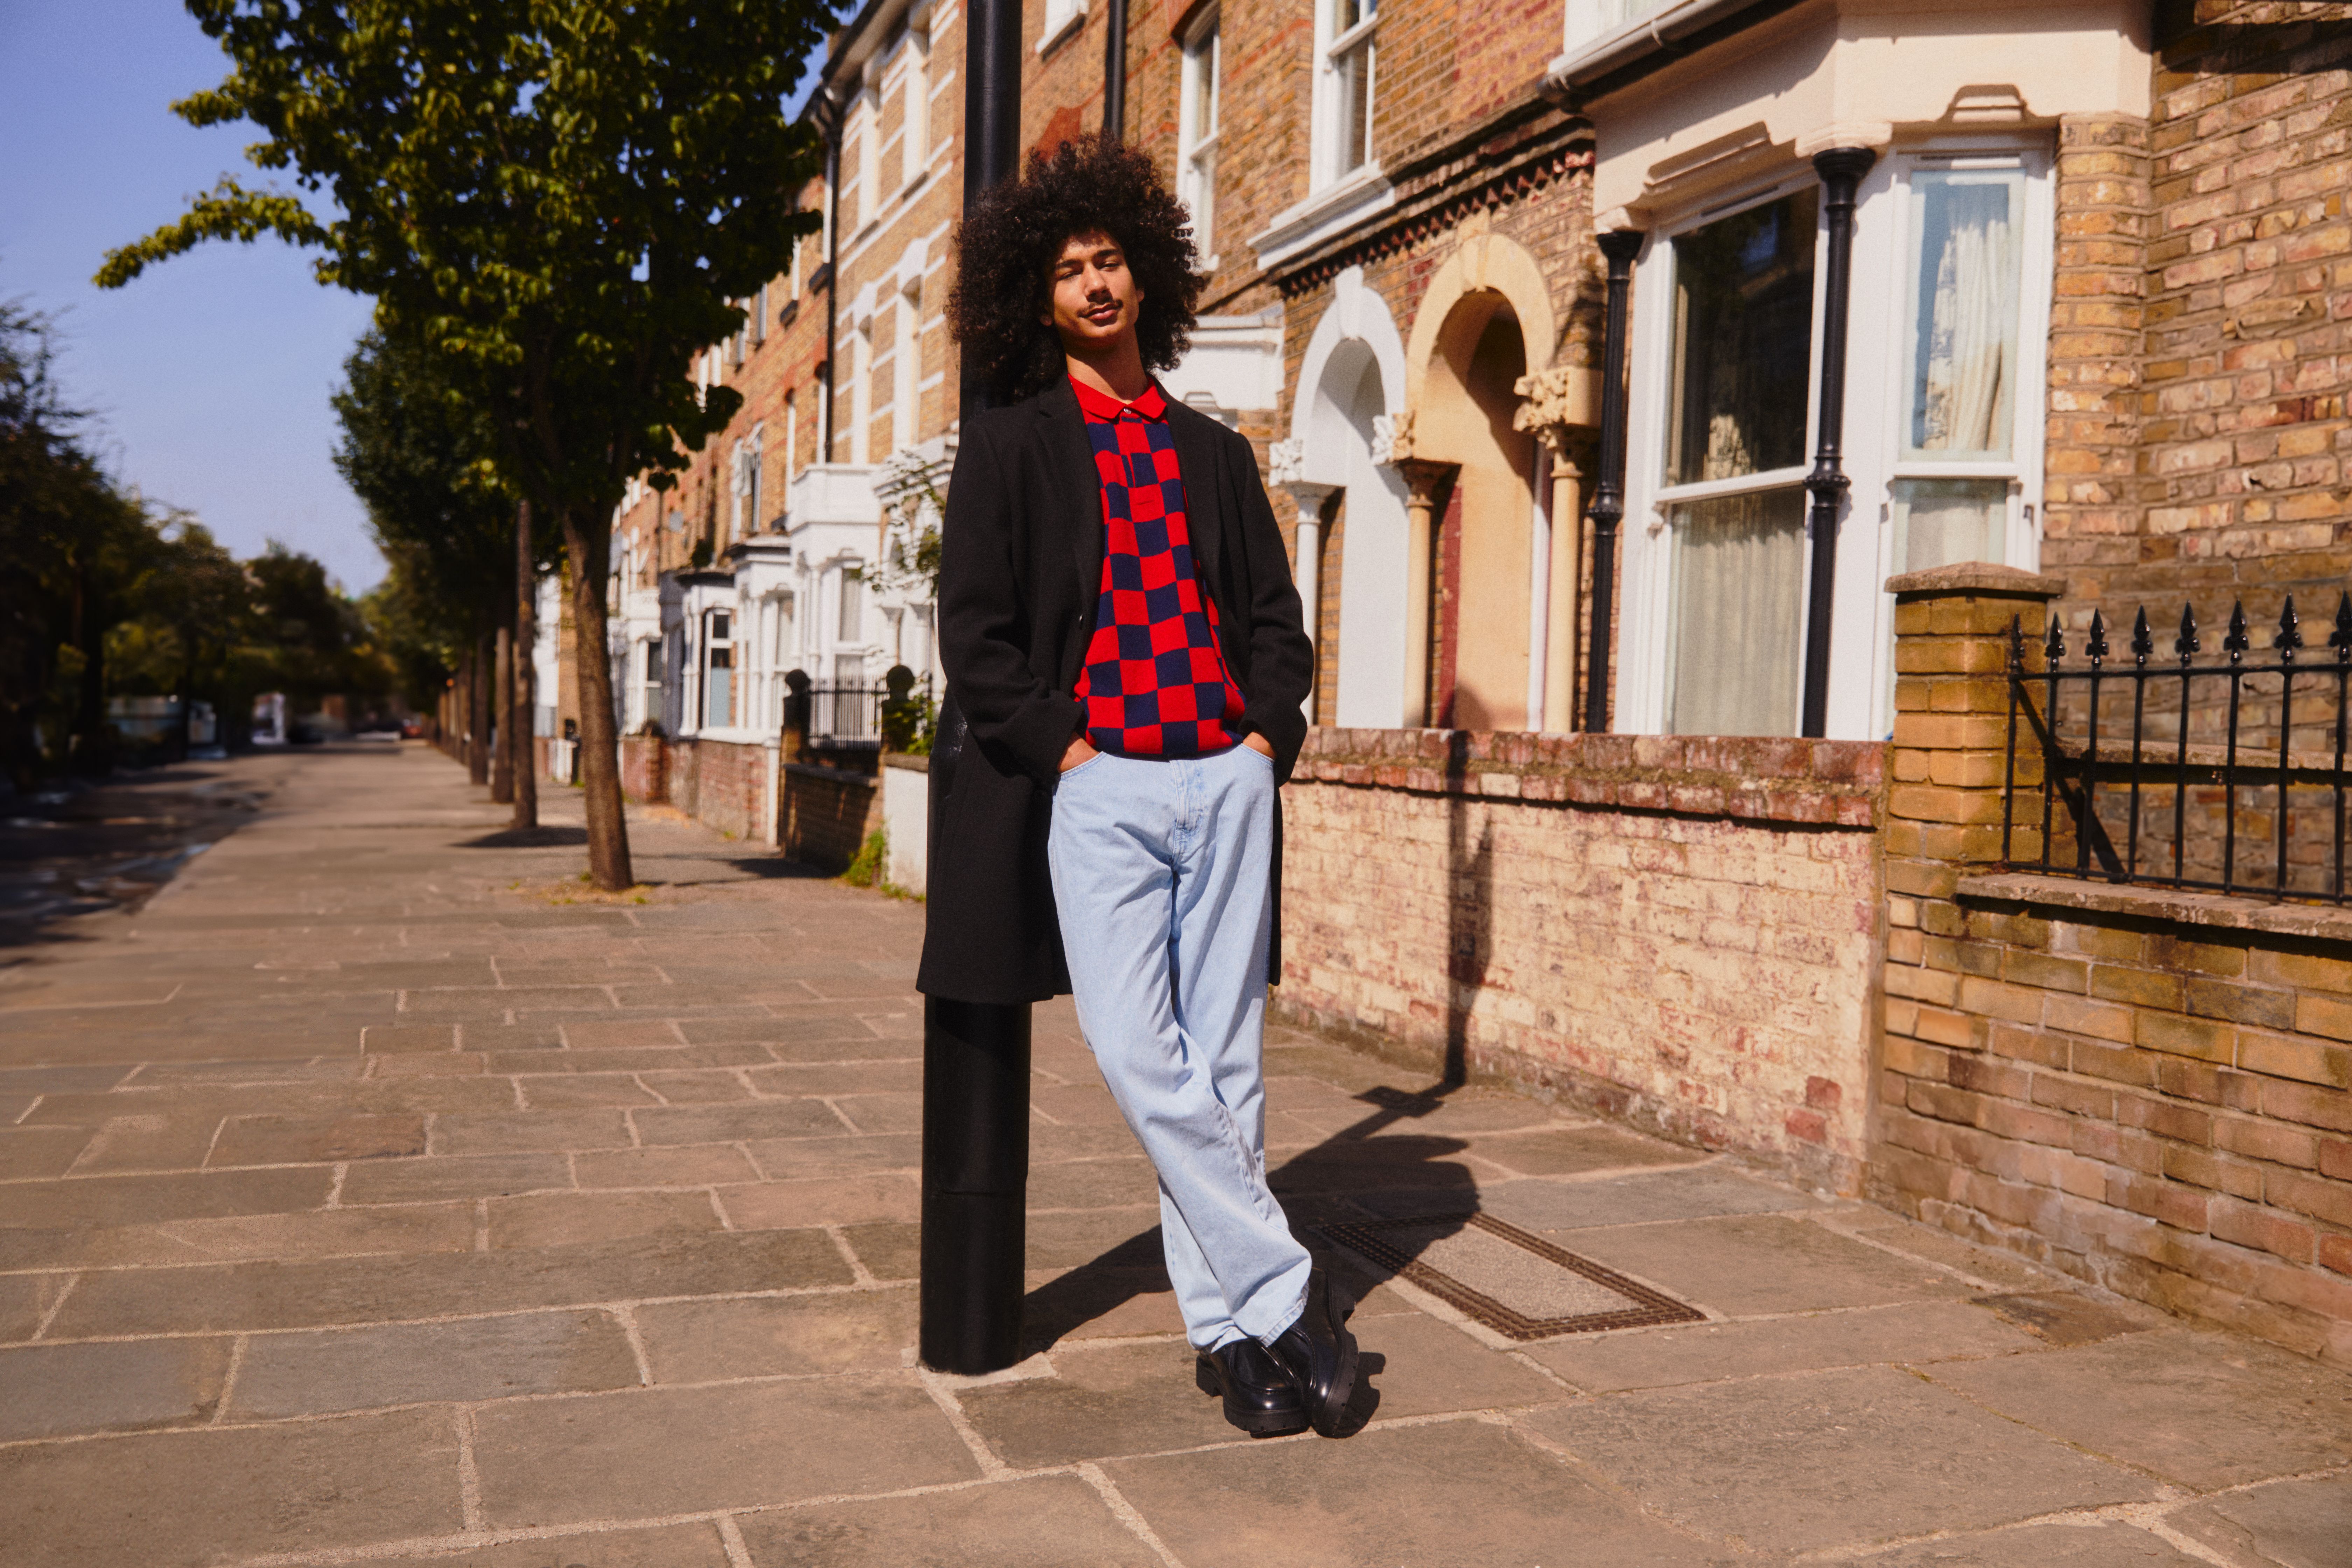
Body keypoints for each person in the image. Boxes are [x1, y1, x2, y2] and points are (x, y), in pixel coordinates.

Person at [920, 135, 1358, 1438]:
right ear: (1037, 299)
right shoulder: (1009, 450)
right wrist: (1067, 750)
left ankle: (1235, 1345)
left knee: (1225, 1066)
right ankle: (1286, 1290)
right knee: (1134, 1051)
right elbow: (977, 638)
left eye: (1111, 260)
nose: (1097, 285)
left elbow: (1277, 627)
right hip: (1099, 790)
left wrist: (1262, 743)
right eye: (1069, 271)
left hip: (1223, 783)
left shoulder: (1217, 456)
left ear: (1146, 275)